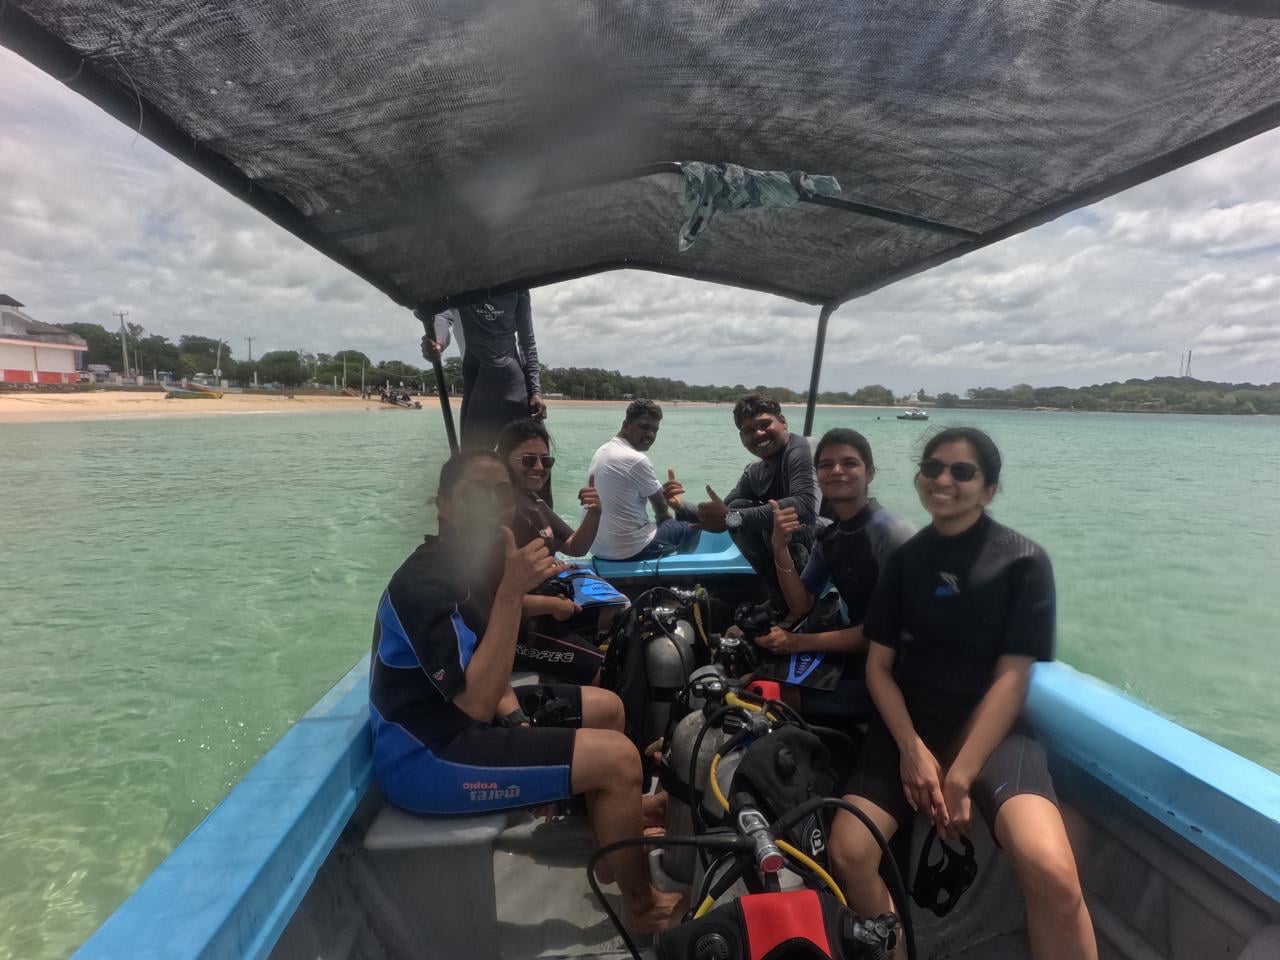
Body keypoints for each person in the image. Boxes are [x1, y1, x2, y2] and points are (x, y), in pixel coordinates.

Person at [368, 449, 683, 932]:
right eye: (476, 493)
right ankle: (641, 908)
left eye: (501, 493)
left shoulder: (474, 565)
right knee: (620, 759)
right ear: (444, 505)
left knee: (608, 707)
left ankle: (610, 845)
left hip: (463, 718)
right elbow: (475, 703)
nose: (493, 504)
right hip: (424, 754)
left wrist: (520, 725)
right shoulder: (423, 584)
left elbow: (487, 669)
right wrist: (512, 593)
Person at [828, 428, 1097, 960]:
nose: (943, 479)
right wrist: (911, 750)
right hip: (909, 725)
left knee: (1052, 870)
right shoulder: (906, 560)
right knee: (849, 851)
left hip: (992, 732)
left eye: (962, 471)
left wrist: (960, 775)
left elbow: (1013, 677)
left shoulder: (1022, 561)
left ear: (989, 489)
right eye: (932, 467)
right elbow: (879, 667)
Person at [760, 428, 914, 721]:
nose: (837, 471)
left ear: (870, 474)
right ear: (818, 476)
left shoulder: (893, 533)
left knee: (770, 694)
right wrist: (779, 547)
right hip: (859, 651)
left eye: (849, 463)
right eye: (826, 465)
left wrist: (796, 642)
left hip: (900, 670)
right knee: (750, 670)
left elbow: (887, 631)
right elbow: (801, 603)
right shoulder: (831, 536)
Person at [495, 418, 611, 685]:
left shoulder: (535, 502)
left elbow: (575, 546)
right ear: (503, 460)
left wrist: (595, 513)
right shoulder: (502, 515)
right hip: (517, 626)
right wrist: (553, 606)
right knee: (605, 670)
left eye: (546, 461)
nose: (539, 468)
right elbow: (491, 597)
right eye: (528, 460)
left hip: (546, 606)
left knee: (621, 618)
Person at [696, 394, 819, 606]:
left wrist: (732, 518)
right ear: (741, 437)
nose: (759, 433)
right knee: (738, 507)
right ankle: (779, 598)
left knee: (779, 522)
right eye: (749, 430)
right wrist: (682, 507)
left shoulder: (801, 450)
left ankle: (808, 601)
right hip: (790, 550)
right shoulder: (755, 471)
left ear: (783, 421)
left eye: (765, 424)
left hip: (828, 544)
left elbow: (806, 505)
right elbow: (725, 510)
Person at [419, 290, 545, 451]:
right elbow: (443, 316)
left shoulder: (519, 285)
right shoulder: (458, 283)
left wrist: (535, 392)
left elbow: (527, 342)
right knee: (471, 462)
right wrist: (437, 342)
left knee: (533, 458)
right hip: (478, 387)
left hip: (516, 389)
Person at [588, 399, 699, 562]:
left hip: (597, 547)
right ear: (626, 425)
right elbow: (660, 507)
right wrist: (671, 524)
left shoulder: (603, 450)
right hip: (626, 550)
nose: (651, 435)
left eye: (655, 430)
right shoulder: (636, 459)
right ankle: (682, 569)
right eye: (644, 427)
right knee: (692, 525)